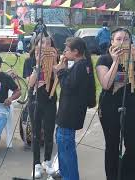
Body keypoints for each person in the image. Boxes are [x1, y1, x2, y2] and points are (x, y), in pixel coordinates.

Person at [96, 28, 135, 180]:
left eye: (126, 39)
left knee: (132, 147)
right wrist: (116, 61)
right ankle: (113, 176)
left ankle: (128, 175)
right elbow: (106, 84)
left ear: (131, 42)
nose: (122, 42)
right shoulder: (104, 60)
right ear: (112, 42)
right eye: (118, 39)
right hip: (109, 107)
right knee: (112, 147)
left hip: (130, 106)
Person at [53, 37, 96, 180]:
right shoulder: (83, 65)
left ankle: (70, 177)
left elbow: (68, 86)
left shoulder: (80, 66)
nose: (64, 53)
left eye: (66, 50)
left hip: (69, 115)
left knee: (66, 150)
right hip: (70, 114)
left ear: (76, 52)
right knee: (63, 147)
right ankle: (65, 175)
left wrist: (60, 71)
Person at [27, 34, 58, 178]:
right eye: (42, 42)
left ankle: (47, 161)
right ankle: (36, 164)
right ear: (36, 44)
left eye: (48, 43)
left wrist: (58, 65)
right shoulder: (29, 61)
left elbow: (60, 82)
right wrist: (38, 64)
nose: (45, 46)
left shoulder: (55, 60)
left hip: (50, 100)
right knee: (36, 133)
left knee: (49, 131)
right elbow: (30, 83)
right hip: (35, 100)